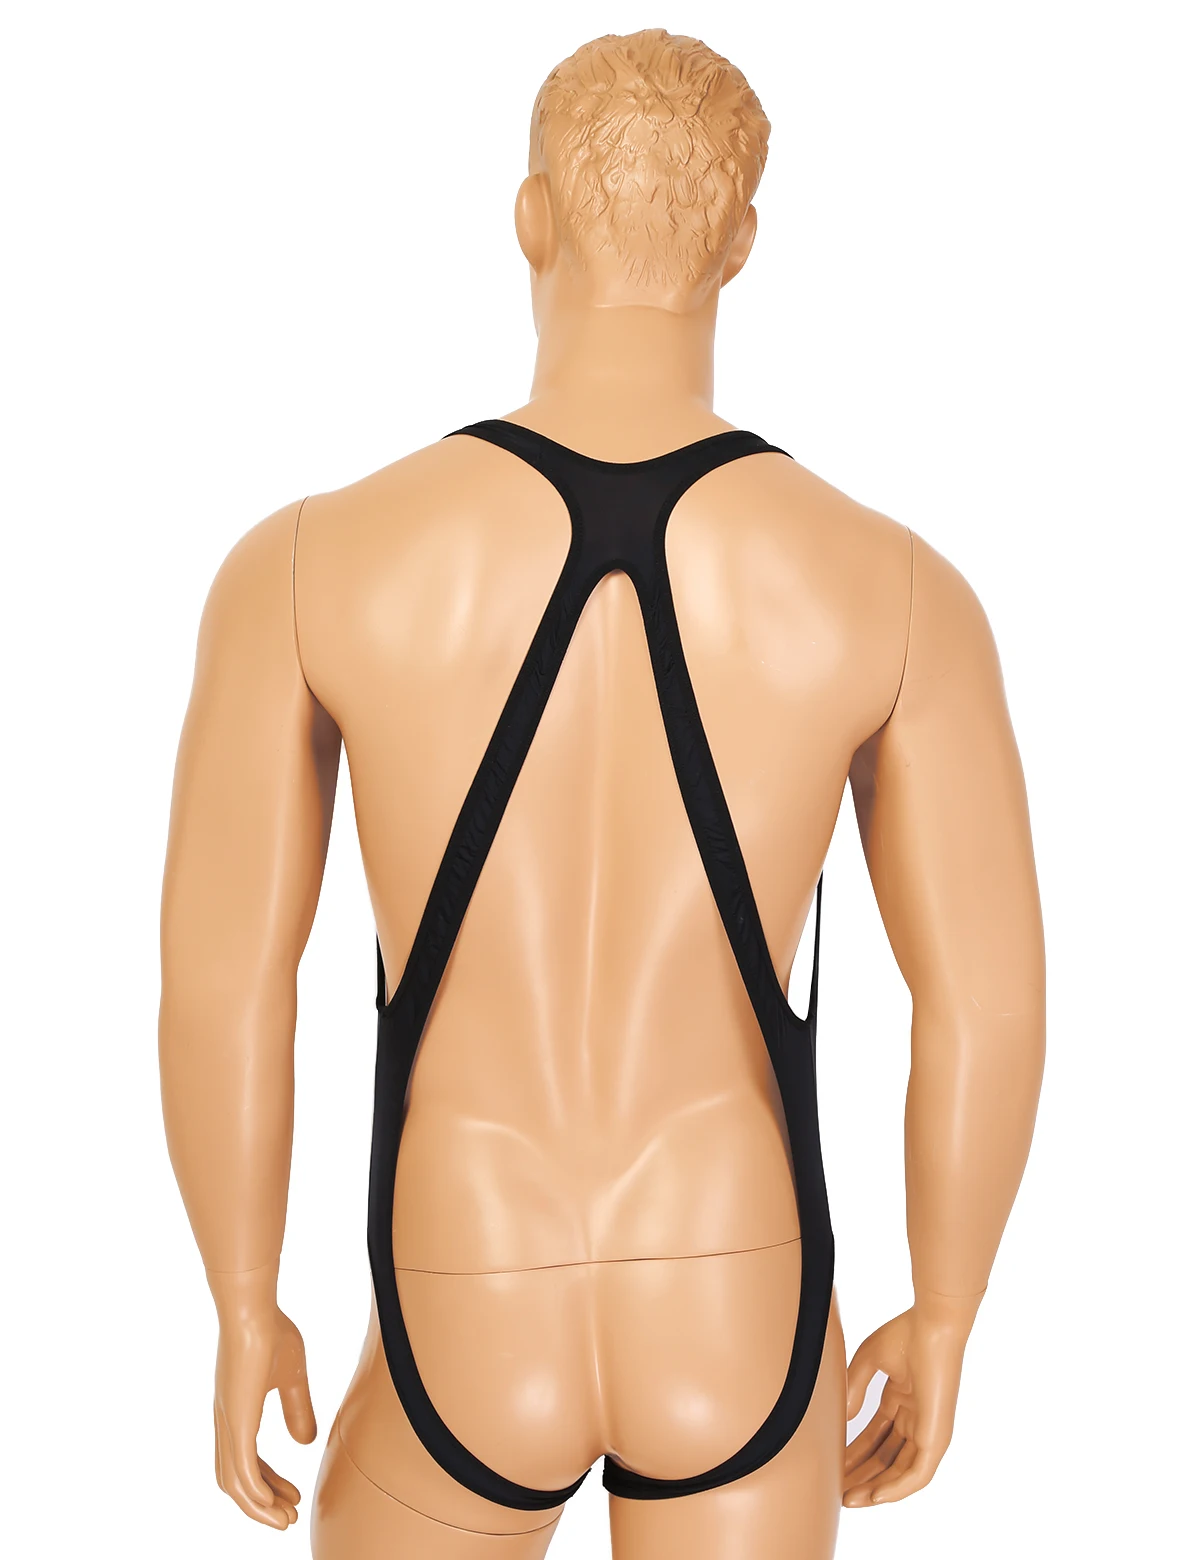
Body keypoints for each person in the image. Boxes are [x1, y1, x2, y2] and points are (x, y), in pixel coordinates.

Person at [159, 29, 1044, 1559]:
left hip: (463, 1284)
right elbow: (989, 1001)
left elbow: (222, 984)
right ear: (743, 242)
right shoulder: (896, 591)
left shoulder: (307, 566)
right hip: (737, 1287)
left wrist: (242, 1298)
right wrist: (949, 1306)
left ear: (531, 217)